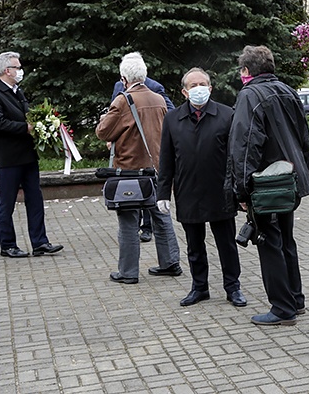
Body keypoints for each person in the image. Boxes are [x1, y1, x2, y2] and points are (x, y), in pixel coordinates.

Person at [225, 45, 309, 327]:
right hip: (289, 179)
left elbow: (245, 144)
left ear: (247, 71)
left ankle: (282, 308)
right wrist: (302, 176)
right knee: (286, 238)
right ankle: (295, 299)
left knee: (269, 241)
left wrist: (242, 189)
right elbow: (304, 139)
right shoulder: (288, 92)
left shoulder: (250, 95)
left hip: (266, 183)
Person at [157, 68, 246, 307]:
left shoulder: (227, 115)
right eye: (193, 85)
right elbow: (166, 159)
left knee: (226, 244)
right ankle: (199, 287)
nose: (199, 89)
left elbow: (236, 156)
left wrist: (240, 189)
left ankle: (233, 287)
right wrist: (162, 193)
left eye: (202, 84)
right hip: (188, 191)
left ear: (210, 88)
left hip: (220, 191)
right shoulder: (172, 119)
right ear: (184, 92)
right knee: (194, 246)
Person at [96, 52, 181, 284]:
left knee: (128, 220)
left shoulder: (123, 100)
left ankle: (128, 272)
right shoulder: (159, 99)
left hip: (130, 169)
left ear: (124, 79)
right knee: (161, 215)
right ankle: (170, 262)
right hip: (156, 167)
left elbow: (103, 131)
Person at [0, 52, 64, 258]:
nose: (20, 71)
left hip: (27, 154)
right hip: (9, 157)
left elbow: (27, 113)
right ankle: (8, 245)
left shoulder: (17, 91)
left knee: (35, 198)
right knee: (7, 202)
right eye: (17, 67)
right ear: (7, 71)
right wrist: (25, 128)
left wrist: (41, 123)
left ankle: (40, 242)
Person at [111, 76, 174, 244]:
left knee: (143, 207)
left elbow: (169, 114)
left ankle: (146, 230)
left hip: (146, 156)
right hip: (133, 156)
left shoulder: (155, 88)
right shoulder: (118, 88)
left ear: (125, 77)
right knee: (156, 208)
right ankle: (170, 261)